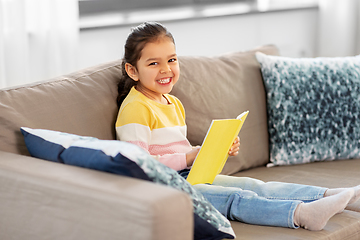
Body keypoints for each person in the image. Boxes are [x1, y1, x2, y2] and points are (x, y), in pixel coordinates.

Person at [115, 22, 360, 231]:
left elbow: (179, 156)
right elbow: (136, 164)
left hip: (189, 178)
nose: (166, 69)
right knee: (236, 198)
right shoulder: (135, 108)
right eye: (153, 64)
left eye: (171, 59)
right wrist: (190, 156)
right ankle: (300, 214)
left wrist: (214, 151)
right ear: (132, 70)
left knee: (255, 186)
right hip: (164, 188)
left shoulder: (173, 102)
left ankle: (331, 196)